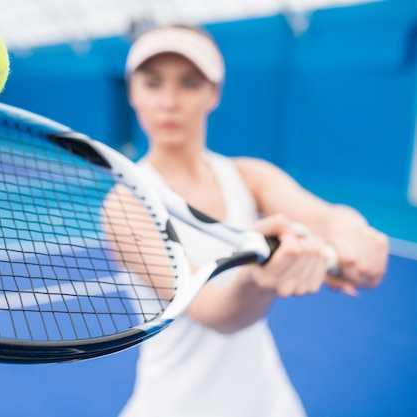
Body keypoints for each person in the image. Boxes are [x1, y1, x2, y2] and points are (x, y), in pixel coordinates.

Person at [117, 24, 389, 417]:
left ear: (214, 94)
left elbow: (327, 216)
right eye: (154, 83)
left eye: (190, 83)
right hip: (173, 404)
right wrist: (256, 279)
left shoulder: (249, 176)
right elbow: (214, 313)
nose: (169, 101)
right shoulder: (126, 205)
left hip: (267, 400)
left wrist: (353, 234)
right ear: (133, 93)